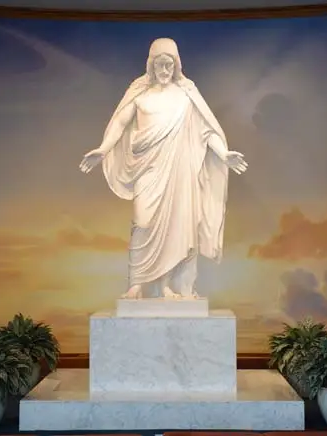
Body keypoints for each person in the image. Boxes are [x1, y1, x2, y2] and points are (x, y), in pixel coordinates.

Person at [79, 38, 247, 299]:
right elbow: (120, 123)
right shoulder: (140, 94)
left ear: (177, 65)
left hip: (178, 172)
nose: (165, 70)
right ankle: (136, 285)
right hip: (147, 169)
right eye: (160, 64)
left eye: (170, 64)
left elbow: (206, 130)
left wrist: (223, 154)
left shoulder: (186, 96)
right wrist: (103, 149)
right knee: (143, 222)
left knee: (175, 227)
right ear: (152, 65)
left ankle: (166, 285)